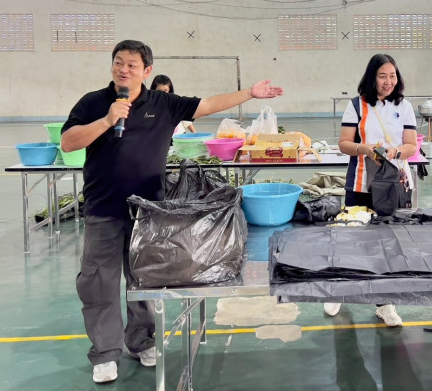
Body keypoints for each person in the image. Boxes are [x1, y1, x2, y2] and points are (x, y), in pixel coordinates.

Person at [60, 40, 283, 384]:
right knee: (98, 283)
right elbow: (69, 142)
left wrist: (249, 93)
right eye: (119, 62)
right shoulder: (93, 103)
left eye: (132, 65)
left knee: (145, 279)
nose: (123, 69)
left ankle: (142, 340)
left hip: (149, 212)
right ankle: (105, 354)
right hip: (103, 209)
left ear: (147, 70)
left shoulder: (163, 103)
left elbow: (207, 104)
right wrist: (107, 120)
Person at [323, 54, 418, 327]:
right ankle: (339, 291)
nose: (389, 81)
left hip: (390, 185)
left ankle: (385, 304)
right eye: (382, 76)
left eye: (392, 76)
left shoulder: (404, 107)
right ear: (372, 78)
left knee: (386, 244)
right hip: (360, 183)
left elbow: (411, 145)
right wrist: (363, 149)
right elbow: (344, 143)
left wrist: (396, 151)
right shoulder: (356, 106)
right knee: (350, 238)